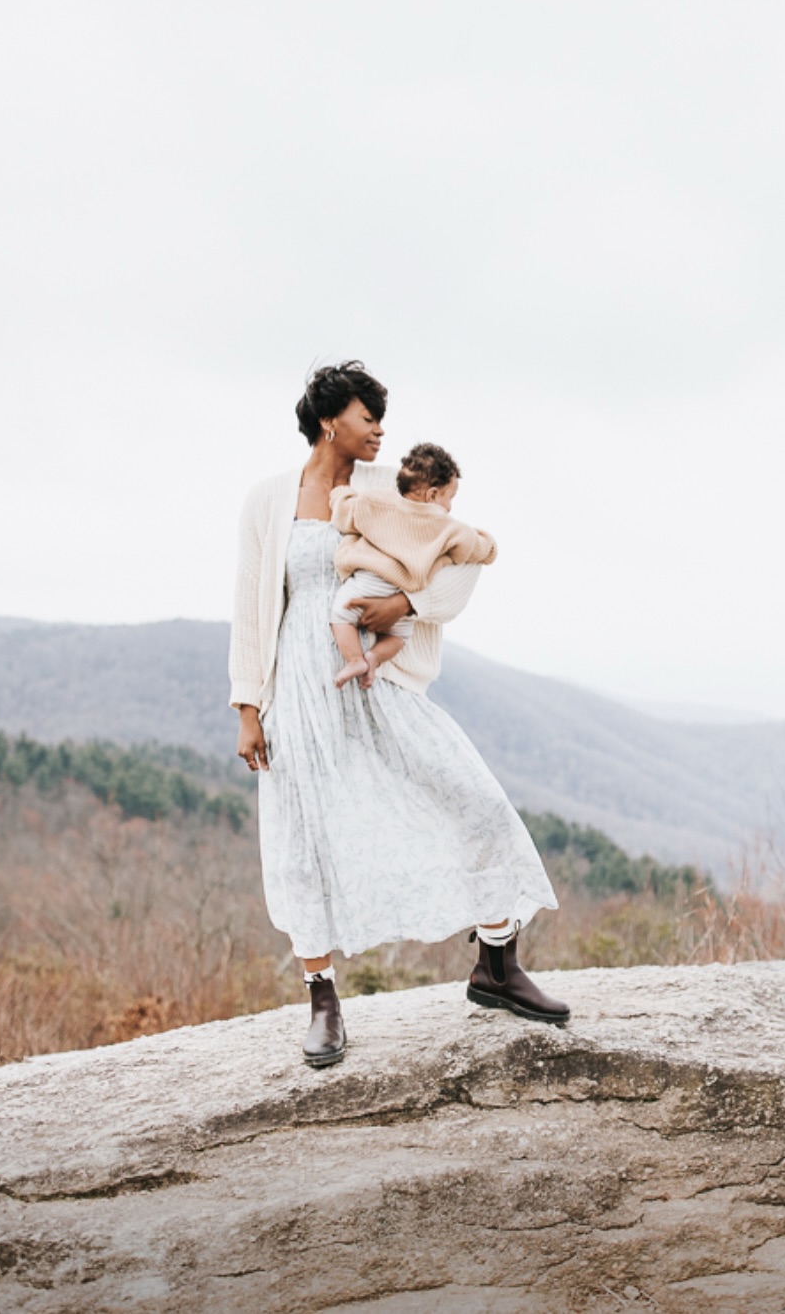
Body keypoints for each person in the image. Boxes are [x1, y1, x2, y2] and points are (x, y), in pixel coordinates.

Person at [230, 360, 570, 1068]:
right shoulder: (268, 500)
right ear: (329, 421)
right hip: (298, 688)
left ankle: (496, 966)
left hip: (379, 680)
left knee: (469, 798)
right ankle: (322, 1000)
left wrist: (406, 607)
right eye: (366, 416)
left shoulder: (394, 487)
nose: (379, 429)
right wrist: (247, 708)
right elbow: (249, 609)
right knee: (303, 838)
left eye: (381, 417)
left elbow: (459, 558)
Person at [329, 441, 497, 691]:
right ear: (432, 495)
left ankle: (354, 660)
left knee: (341, 615)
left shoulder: (376, 501)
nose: (450, 506)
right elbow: (483, 550)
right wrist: (482, 537)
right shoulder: (447, 526)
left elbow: (344, 513)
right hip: (403, 590)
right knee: (399, 636)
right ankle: (373, 658)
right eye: (450, 497)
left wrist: (340, 492)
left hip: (367, 582)